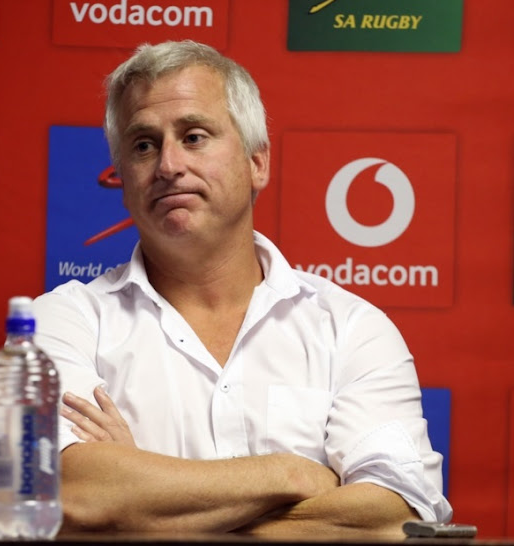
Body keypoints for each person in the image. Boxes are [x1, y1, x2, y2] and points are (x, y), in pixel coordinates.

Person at [32, 40, 452, 538]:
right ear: (122, 178)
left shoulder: (352, 330)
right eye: (143, 145)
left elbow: (395, 517)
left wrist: (140, 495)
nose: (168, 165)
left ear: (258, 163)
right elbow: (71, 493)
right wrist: (289, 474)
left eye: (194, 137)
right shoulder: (62, 322)